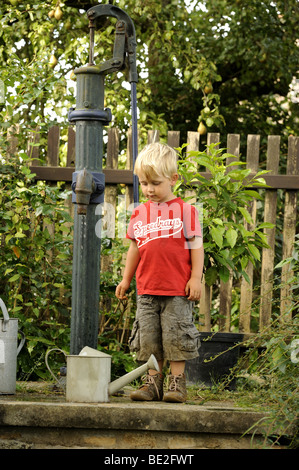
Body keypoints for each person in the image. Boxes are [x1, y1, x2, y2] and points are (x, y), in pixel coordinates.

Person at [115, 142, 204, 403]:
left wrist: (195, 278)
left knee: (176, 336)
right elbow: (135, 248)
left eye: (155, 182)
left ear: (173, 179)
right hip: (146, 290)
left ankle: (176, 384)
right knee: (149, 338)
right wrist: (125, 278)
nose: (149, 189)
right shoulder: (140, 213)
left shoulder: (186, 211)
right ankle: (152, 383)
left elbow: (196, 246)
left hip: (177, 289)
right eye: (143, 183)